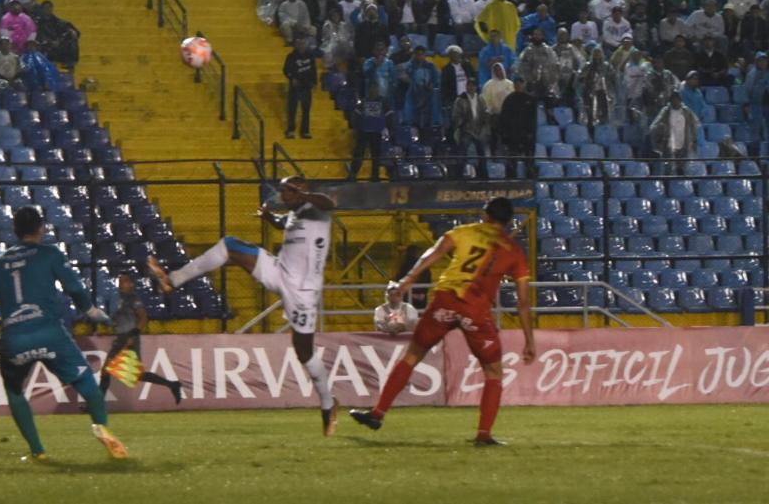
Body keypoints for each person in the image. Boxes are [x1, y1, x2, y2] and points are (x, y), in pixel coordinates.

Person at [0, 206, 127, 460]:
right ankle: (102, 428)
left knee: (15, 391)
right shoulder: (49, 254)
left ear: (16, 231)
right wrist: (93, 312)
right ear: (41, 228)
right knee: (87, 385)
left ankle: (38, 451)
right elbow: (74, 287)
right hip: (50, 333)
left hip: (14, 340)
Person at [148, 176, 339, 436]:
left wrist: (303, 194)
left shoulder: (318, 210)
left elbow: (328, 202)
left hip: (303, 291)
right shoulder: (295, 216)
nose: (283, 194)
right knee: (230, 245)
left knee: (304, 351)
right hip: (279, 270)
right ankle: (173, 280)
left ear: (300, 191)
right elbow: (286, 223)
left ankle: (328, 404)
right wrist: (268, 218)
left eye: (287, 190)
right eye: (281, 190)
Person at [350, 196, 535, 447]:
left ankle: (378, 413)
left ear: (485, 214)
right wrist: (529, 340)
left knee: (412, 355)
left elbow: (433, 254)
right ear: (509, 220)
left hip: (445, 302)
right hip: (476, 311)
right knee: (493, 372)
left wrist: (407, 282)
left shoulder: (464, 232)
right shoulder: (513, 251)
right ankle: (483, 434)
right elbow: (523, 302)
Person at [98, 271, 182, 402]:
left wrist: (133, 334)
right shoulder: (115, 298)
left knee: (112, 372)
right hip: (120, 338)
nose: (126, 284)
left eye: (127, 281)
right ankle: (172, 384)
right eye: (123, 281)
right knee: (121, 373)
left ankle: (96, 405)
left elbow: (143, 318)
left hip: (128, 338)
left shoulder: (133, 298)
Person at [649, 93, 700, 174]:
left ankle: (681, 180)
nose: (675, 102)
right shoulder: (665, 111)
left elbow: (694, 125)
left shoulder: (686, 111)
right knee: (668, 166)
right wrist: (660, 133)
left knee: (681, 166)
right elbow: (655, 125)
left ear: (680, 100)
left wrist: (694, 139)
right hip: (669, 142)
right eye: (673, 100)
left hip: (683, 141)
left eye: (677, 100)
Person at [500, 76, 536, 177]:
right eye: (516, 83)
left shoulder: (530, 99)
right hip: (513, 134)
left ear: (524, 84)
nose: (518, 85)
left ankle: (530, 173)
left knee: (529, 156)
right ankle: (511, 175)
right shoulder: (509, 99)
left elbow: (533, 118)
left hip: (527, 134)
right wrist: (505, 133)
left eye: (521, 83)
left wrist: (531, 132)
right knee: (512, 156)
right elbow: (504, 118)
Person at [283, 37, 318, 139]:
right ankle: (291, 130)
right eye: (299, 44)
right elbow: (286, 70)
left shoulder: (310, 55)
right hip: (296, 86)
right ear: (296, 44)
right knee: (292, 108)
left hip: (307, 85)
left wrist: (314, 82)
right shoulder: (291, 56)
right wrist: (292, 78)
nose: (301, 46)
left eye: (303, 43)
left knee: (306, 109)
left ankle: (305, 131)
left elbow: (313, 69)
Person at [33, 1, 82, 68]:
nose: (48, 10)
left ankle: (70, 62)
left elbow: (71, 29)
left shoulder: (58, 22)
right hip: (44, 46)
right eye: (45, 8)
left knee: (72, 39)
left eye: (49, 7)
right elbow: (39, 35)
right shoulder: (37, 23)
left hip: (58, 46)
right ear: (42, 9)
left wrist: (71, 30)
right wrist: (49, 41)